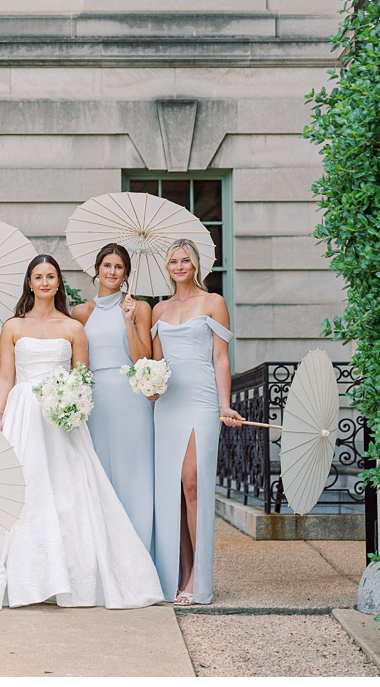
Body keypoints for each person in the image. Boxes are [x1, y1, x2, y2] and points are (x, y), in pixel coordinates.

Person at [0, 255, 162, 612]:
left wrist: (73, 405)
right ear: (30, 283)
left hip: (60, 421)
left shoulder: (73, 328)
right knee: (16, 491)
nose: (45, 282)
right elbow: (5, 376)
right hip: (21, 414)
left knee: (69, 494)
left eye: (51, 276)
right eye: (39, 277)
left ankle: (70, 579)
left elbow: (83, 378)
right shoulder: (13, 326)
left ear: (58, 283)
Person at [151, 240, 246, 605]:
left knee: (193, 482)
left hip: (202, 402)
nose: (179, 266)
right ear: (167, 267)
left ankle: (197, 579)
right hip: (168, 405)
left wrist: (225, 404)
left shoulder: (213, 303)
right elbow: (157, 364)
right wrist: (151, 386)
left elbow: (221, 358)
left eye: (185, 260)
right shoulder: (158, 308)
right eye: (173, 261)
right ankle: (179, 574)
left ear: (196, 264)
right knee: (173, 489)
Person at [70, 243, 157, 567]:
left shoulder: (140, 307)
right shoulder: (81, 312)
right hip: (95, 400)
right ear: (97, 270)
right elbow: (77, 362)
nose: (112, 272)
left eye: (119, 267)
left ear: (126, 274)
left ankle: (138, 563)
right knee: (99, 474)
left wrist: (130, 322)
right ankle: (101, 563)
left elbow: (143, 359)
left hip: (130, 397)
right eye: (107, 265)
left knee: (133, 473)